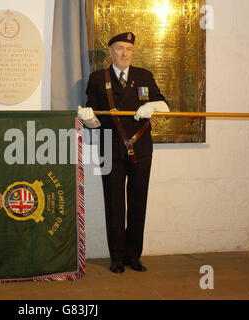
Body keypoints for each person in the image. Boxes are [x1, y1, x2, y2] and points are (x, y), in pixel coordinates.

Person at [78, 32, 169, 273]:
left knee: (139, 202)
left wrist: (151, 106)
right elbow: (93, 117)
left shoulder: (144, 76)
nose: (124, 53)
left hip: (140, 147)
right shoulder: (98, 78)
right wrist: (88, 120)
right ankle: (117, 258)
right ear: (110, 51)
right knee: (114, 203)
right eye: (119, 48)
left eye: (128, 49)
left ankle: (133, 256)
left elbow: (164, 104)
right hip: (110, 146)